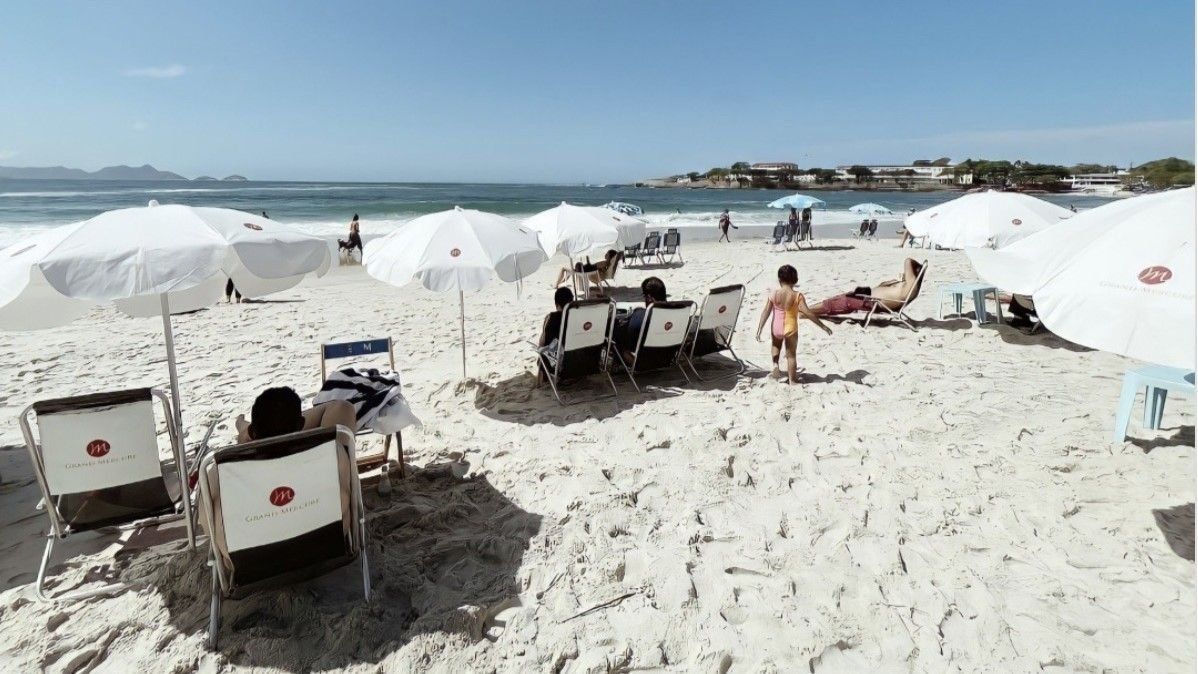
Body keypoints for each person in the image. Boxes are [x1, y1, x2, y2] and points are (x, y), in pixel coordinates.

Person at [755, 265, 832, 384]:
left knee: (776, 345)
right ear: (795, 280)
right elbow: (807, 312)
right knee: (791, 355)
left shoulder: (773, 294)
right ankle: (793, 380)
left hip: (776, 327)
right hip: (790, 328)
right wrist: (823, 326)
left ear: (779, 279)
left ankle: (775, 364)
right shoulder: (797, 296)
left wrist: (760, 328)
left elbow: (766, 311)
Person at [235, 386, 357, 443]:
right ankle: (242, 424)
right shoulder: (330, 457)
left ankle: (242, 425)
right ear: (301, 425)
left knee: (244, 435)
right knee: (342, 407)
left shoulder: (236, 464)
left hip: (257, 444)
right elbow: (341, 407)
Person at [810, 258, 924, 316]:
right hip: (869, 295)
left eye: (907, 273)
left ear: (912, 275)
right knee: (840, 297)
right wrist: (896, 281)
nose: (905, 273)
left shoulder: (910, 287)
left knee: (842, 301)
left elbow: (908, 260)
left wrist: (919, 267)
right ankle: (808, 309)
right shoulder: (907, 286)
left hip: (872, 302)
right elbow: (882, 285)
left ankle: (807, 311)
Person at [615, 276, 667, 358]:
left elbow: (622, 334)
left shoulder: (642, 316)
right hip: (666, 358)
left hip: (641, 361)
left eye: (644, 296)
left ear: (649, 298)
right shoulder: (674, 316)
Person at [536, 287, 574, 382]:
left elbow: (542, 343)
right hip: (580, 364)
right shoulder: (577, 317)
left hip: (559, 367)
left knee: (542, 352)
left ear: (556, 304)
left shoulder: (551, 318)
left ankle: (542, 377)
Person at [553, 249, 620, 288]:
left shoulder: (605, 263)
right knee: (570, 271)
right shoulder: (606, 264)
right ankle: (560, 282)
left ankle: (557, 284)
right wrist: (588, 262)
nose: (605, 254)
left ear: (610, 256)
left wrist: (586, 265)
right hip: (586, 270)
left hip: (584, 271)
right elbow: (595, 267)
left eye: (607, 254)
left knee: (564, 269)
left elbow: (593, 268)